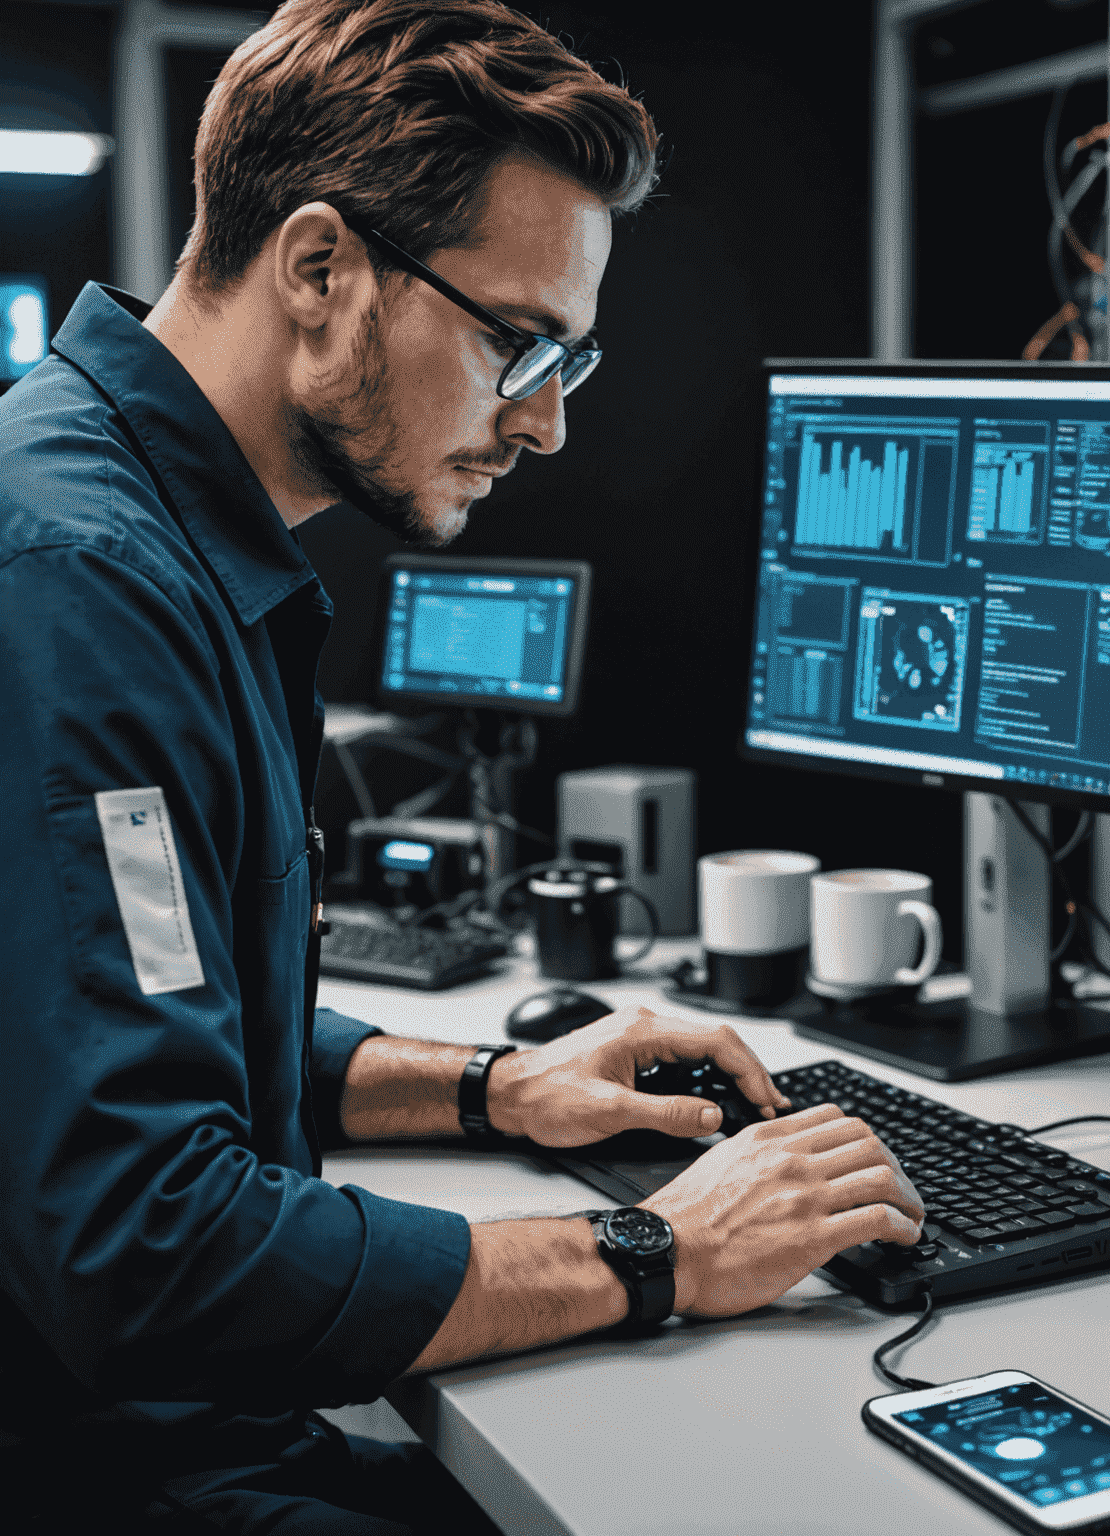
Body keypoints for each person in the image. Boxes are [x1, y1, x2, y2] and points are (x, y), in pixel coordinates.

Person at [0, 2, 923, 1529]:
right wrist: (655, 1255)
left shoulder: (149, 539)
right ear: (318, 269)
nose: (550, 424)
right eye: (521, 344)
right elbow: (144, 1244)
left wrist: (504, 1088)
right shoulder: (76, 585)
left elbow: (186, 1035)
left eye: (579, 356)